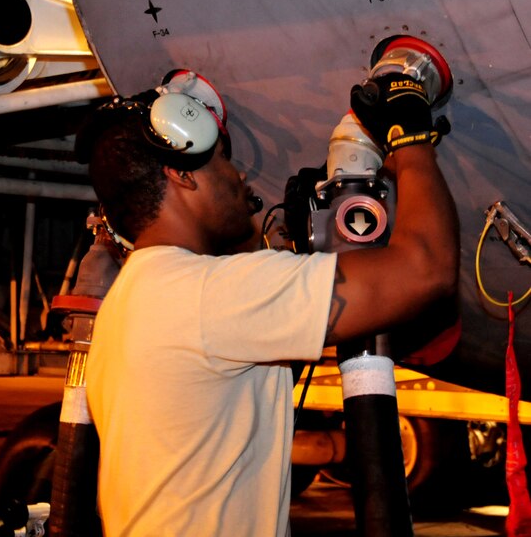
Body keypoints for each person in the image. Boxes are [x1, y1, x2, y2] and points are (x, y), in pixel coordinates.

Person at [77, 71, 459, 536]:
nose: (237, 174)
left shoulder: (133, 300)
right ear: (180, 175)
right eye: (220, 159)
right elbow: (426, 268)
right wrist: (410, 136)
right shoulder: (207, 295)